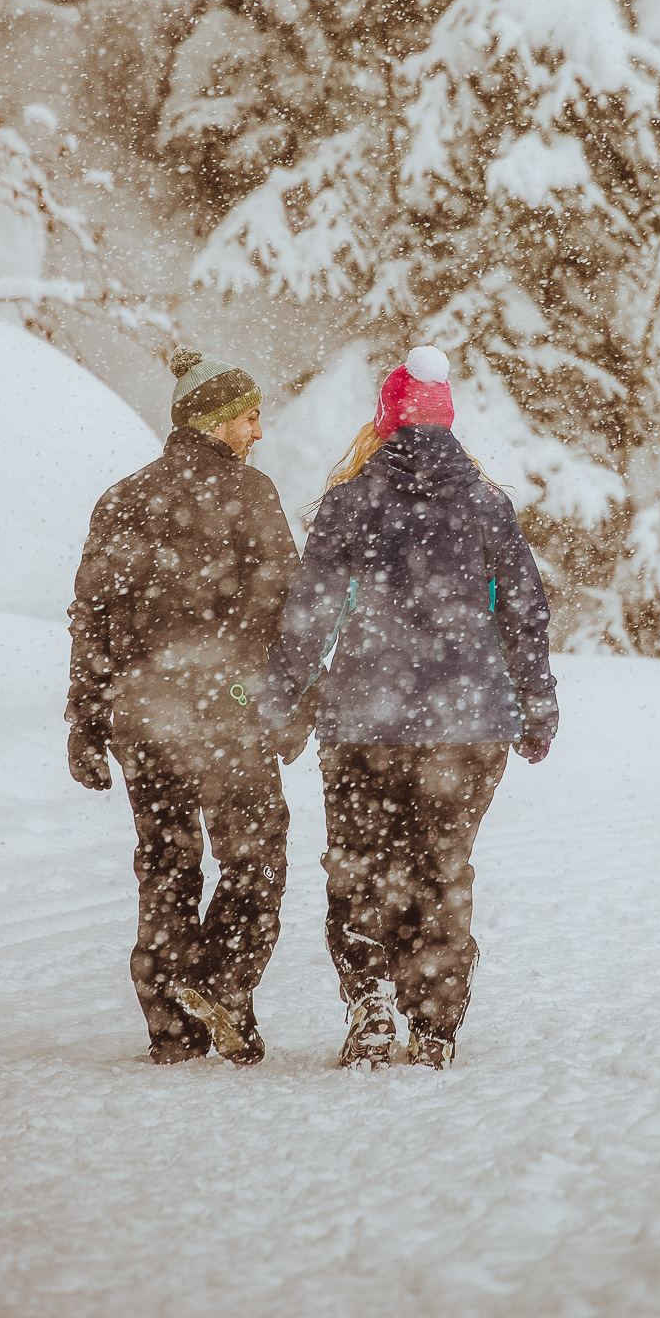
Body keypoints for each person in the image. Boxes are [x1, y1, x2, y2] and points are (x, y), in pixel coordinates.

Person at [261, 345, 559, 1070]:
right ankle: (433, 1025)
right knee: (440, 868)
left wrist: (277, 700)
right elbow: (524, 611)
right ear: (446, 422)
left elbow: (309, 614)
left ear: (386, 420)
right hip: (467, 723)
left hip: (365, 718)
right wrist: (536, 704)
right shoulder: (487, 504)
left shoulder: (351, 500)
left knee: (359, 866)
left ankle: (370, 1006)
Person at [65, 345, 298, 1066]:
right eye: (250, 418)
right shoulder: (249, 495)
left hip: (142, 715)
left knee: (165, 863)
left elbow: (92, 616)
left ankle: (171, 1023)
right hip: (226, 710)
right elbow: (285, 606)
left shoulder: (124, 496)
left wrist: (85, 720)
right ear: (218, 418)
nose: (259, 433)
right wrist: (286, 704)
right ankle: (223, 986)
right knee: (255, 858)